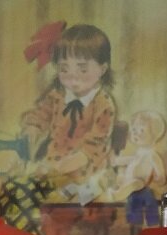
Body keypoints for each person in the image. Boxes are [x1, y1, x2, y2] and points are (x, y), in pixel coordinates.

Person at [19, 22, 117, 196]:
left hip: (87, 171)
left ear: (102, 69)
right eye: (64, 69)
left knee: (75, 202)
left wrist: (58, 169)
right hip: (55, 165)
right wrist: (32, 128)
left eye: (82, 69)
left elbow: (91, 149)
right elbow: (40, 114)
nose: (73, 77)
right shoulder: (57, 96)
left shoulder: (103, 105)